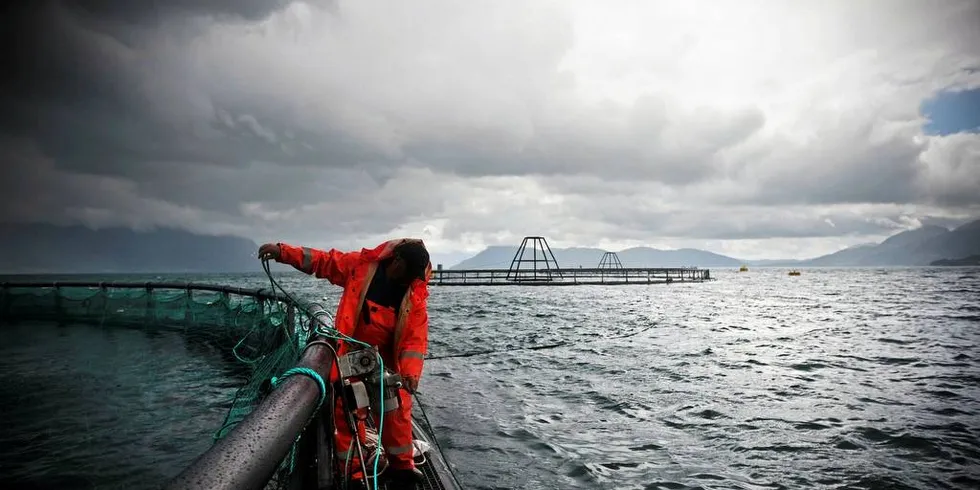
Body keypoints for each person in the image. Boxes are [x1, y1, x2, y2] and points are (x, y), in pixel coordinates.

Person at [258, 238, 431, 488]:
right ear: (396, 261)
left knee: (396, 407)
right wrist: (283, 252)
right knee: (348, 408)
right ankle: (354, 473)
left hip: (385, 361)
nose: (406, 281)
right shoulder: (360, 267)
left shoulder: (414, 293)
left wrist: (411, 374)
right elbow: (322, 261)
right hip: (349, 351)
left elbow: (415, 340)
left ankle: (402, 466)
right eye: (405, 274)